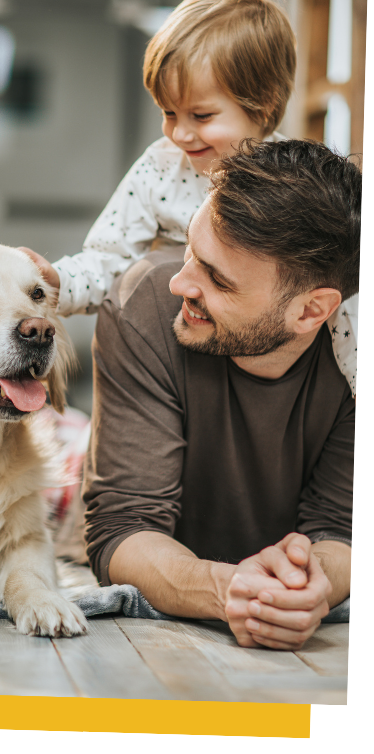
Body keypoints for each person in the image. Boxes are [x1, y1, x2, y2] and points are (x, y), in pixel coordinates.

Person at [83, 138, 356, 649]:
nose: (179, 284)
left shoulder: (352, 364)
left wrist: (308, 585)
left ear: (312, 312)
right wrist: (229, 589)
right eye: (191, 251)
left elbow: (340, 532)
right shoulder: (142, 306)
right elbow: (121, 528)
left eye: (218, 280)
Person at [22, 0, 358, 397]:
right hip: (179, 367)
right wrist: (61, 282)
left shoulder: (291, 188)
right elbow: (110, 254)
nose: (179, 133)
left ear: (265, 105)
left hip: (263, 366)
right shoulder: (161, 167)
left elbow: (340, 297)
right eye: (168, 113)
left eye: (201, 115)